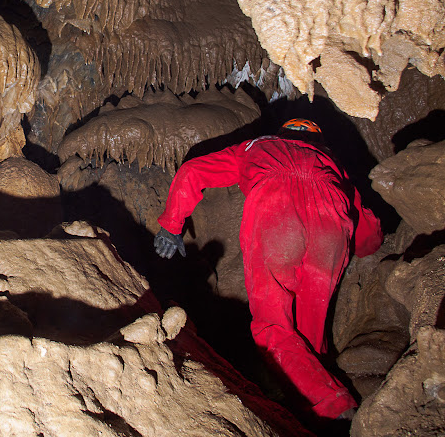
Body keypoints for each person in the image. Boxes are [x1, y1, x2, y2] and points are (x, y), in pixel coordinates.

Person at [154, 118, 383, 422]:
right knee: (310, 334)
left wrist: (171, 225)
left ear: (282, 135)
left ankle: (334, 408)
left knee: (272, 328)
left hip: (278, 217)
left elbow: (194, 170)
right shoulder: (331, 162)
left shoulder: (258, 145)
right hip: (331, 228)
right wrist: (366, 249)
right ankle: (318, 413)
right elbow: (367, 230)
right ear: (317, 141)